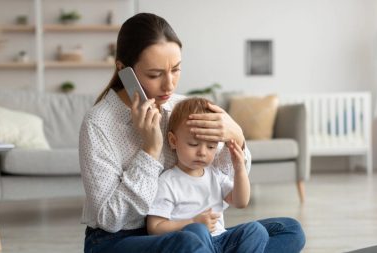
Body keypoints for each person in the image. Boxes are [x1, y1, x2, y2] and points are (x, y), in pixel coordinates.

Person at [79, 12, 305, 253]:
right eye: (155, 75)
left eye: (176, 69)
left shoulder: (182, 109)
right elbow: (110, 219)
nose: (169, 85)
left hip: (193, 231)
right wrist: (150, 150)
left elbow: (221, 180)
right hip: (119, 240)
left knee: (289, 230)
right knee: (190, 240)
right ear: (125, 71)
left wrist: (237, 136)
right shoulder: (98, 124)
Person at [147, 97, 268, 252]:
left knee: (256, 230)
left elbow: (241, 202)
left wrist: (239, 170)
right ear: (173, 141)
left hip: (221, 240)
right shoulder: (167, 182)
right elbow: (154, 227)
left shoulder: (215, 175)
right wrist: (192, 222)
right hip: (193, 242)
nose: (202, 152)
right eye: (193, 144)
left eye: (211, 146)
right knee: (198, 231)